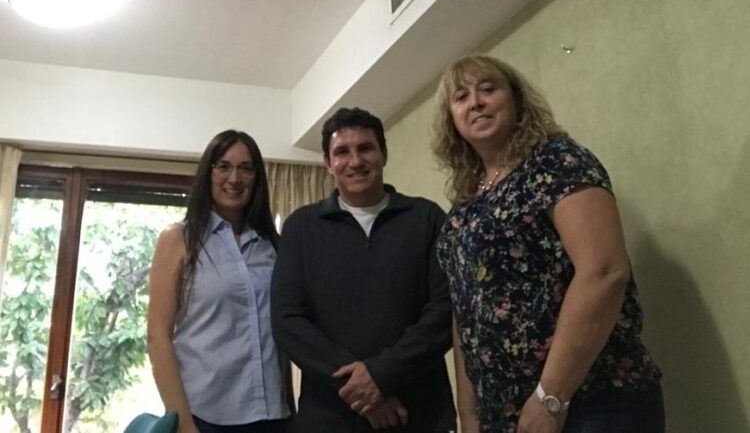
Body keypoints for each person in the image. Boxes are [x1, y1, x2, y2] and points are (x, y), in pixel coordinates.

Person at [432, 55, 664, 433]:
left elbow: (604, 271)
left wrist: (550, 398)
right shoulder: (463, 209)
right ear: (451, 119)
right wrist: (469, 415)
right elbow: (465, 311)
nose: (475, 102)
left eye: (488, 89)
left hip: (589, 402)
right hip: (504, 417)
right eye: (461, 97)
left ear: (516, 99)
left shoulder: (556, 161)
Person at [271, 107, 457, 433]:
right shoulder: (301, 227)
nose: (355, 161)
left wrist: (381, 377)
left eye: (366, 148)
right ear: (328, 163)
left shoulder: (427, 218)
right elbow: (288, 321)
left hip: (418, 414)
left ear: (383, 154)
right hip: (329, 418)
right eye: (342, 152)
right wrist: (363, 390)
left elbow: (445, 312)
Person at [147, 130, 292, 433]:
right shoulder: (178, 239)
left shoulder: (272, 245)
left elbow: (280, 335)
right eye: (223, 166)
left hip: (273, 416)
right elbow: (158, 336)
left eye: (245, 168)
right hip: (205, 416)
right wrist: (184, 424)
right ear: (208, 173)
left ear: (256, 177)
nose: (234, 178)